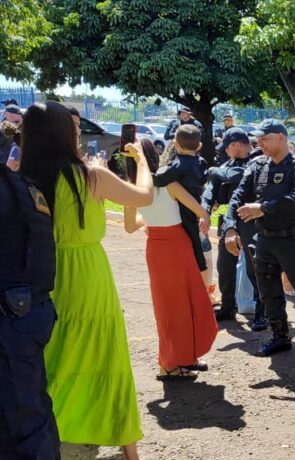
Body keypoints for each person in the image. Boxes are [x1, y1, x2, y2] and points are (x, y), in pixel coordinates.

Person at [20, 101, 150, 459]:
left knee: (50, 356)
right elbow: (145, 197)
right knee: (105, 356)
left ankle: (54, 429)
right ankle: (127, 448)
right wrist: (140, 161)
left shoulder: (20, 177)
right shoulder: (91, 175)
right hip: (88, 276)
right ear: (67, 134)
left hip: (39, 274)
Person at [123, 138, 218, 380]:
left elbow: (130, 227)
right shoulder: (169, 183)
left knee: (168, 308)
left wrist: (152, 220)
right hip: (179, 246)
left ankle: (178, 360)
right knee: (189, 303)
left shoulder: (130, 187)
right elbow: (200, 211)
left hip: (156, 248)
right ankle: (172, 363)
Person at [223, 119, 295, 357]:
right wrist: (231, 228)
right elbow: (237, 198)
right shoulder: (257, 166)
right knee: (268, 291)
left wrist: (264, 207)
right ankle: (280, 336)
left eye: (265, 138)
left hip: (294, 242)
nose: (259, 143)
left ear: (281, 138)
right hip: (264, 240)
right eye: (258, 139)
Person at [0, 162, 59, 458]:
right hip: (29, 314)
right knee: (32, 416)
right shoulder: (25, 188)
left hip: (10, 322)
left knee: (21, 426)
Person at [203, 127, 266, 329]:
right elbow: (213, 193)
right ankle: (228, 307)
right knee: (225, 267)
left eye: (227, 147)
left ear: (237, 145)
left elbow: (240, 178)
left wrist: (221, 175)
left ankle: (261, 313)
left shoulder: (260, 161)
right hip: (230, 221)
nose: (224, 152)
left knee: (254, 270)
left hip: (251, 222)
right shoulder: (224, 167)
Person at [153, 125, 209, 274]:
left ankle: (199, 264)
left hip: (182, 208)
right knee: (195, 235)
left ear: (175, 144)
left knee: (190, 236)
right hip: (196, 202)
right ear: (199, 145)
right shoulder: (201, 162)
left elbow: (159, 180)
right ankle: (200, 264)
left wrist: (144, 171)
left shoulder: (178, 165)